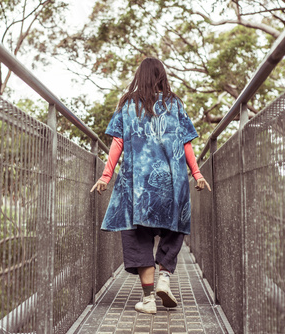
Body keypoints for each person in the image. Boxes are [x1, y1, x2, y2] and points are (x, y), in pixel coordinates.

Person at [90, 57, 211, 314]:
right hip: (172, 181)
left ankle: (148, 300)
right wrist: (197, 173)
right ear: (162, 76)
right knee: (174, 228)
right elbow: (187, 143)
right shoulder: (174, 104)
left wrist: (105, 176)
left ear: (140, 76)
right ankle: (164, 279)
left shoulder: (127, 105)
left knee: (137, 236)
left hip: (138, 185)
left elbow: (117, 143)